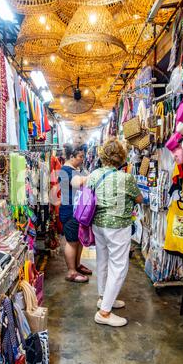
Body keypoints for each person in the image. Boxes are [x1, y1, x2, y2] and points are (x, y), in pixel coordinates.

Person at [86, 138, 143, 327]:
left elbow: (89, 193)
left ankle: (104, 299)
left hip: (98, 223)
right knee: (118, 266)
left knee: (102, 261)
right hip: (117, 225)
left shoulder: (94, 174)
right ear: (121, 156)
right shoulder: (125, 178)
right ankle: (104, 313)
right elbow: (139, 198)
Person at [58, 144, 92, 283]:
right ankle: (71, 271)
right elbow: (77, 183)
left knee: (78, 241)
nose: (82, 159)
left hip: (76, 211)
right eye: (80, 156)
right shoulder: (66, 170)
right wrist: (91, 176)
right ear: (71, 157)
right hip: (70, 211)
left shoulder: (74, 169)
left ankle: (77, 266)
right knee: (72, 242)